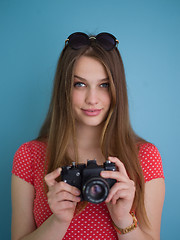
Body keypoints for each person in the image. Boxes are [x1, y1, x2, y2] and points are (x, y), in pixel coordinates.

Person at [11, 32, 165, 240]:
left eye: (104, 85)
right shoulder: (29, 156)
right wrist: (58, 221)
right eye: (80, 84)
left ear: (116, 89)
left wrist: (123, 220)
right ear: (64, 88)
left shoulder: (145, 157)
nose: (92, 99)